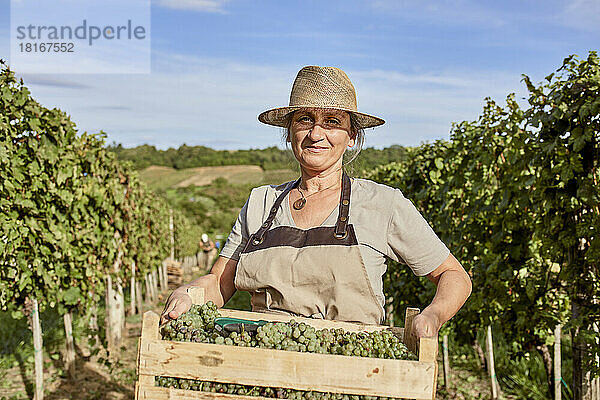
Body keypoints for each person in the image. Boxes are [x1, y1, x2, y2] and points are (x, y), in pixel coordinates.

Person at [162, 66, 472, 339]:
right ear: (289, 133)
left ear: (351, 135)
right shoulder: (260, 202)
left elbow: (453, 275)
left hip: (352, 371)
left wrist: (434, 314)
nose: (315, 133)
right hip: (263, 367)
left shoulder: (383, 204)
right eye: (305, 120)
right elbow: (219, 282)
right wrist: (188, 294)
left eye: (332, 121)